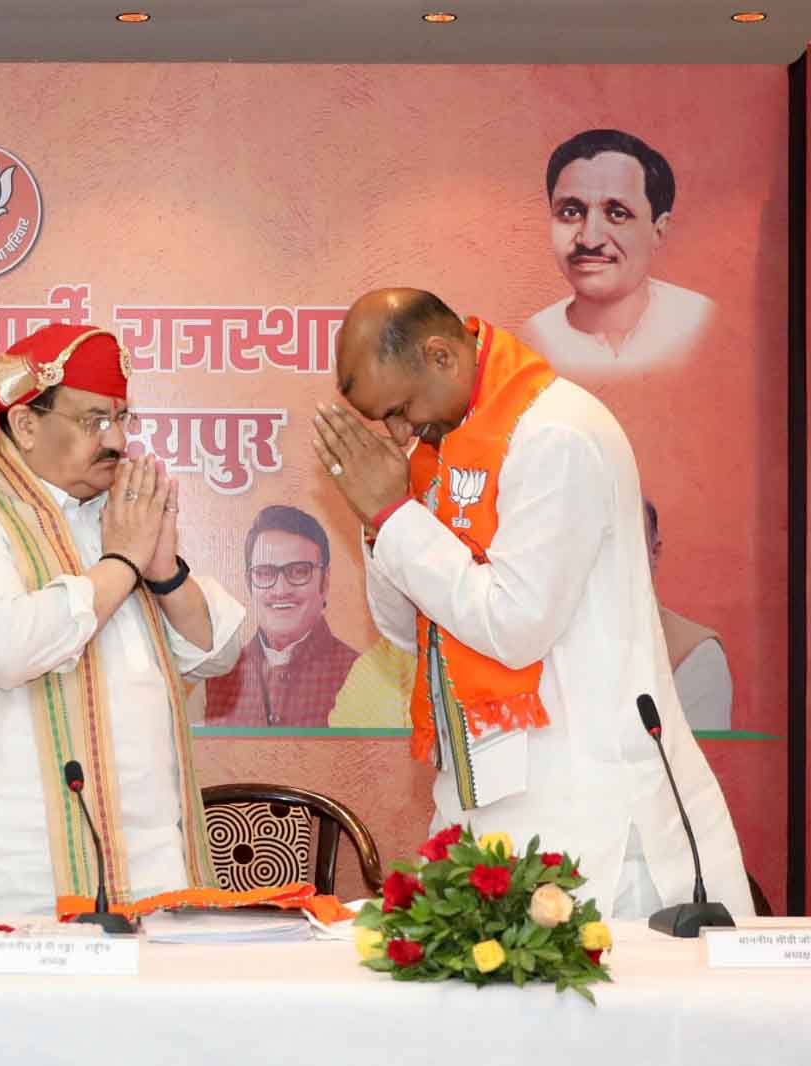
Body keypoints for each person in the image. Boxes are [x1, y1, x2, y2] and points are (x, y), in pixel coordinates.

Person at [312, 287, 751, 920]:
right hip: (481, 799)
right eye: (386, 421)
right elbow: (411, 635)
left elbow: (515, 625)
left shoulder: (554, 435)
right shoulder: (440, 452)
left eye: (403, 409)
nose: (401, 432)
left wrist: (396, 514)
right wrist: (383, 519)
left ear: (441, 356)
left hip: (577, 802)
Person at [0, 322, 245, 915]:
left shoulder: (114, 523)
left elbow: (217, 652)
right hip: (12, 872)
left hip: (149, 867)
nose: (114, 440)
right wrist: (122, 563)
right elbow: (8, 648)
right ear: (26, 424)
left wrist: (161, 570)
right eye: (93, 421)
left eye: (120, 419)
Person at [520, 128, 713, 375]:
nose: (589, 240)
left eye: (617, 214)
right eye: (570, 212)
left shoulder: (700, 324)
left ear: (658, 230)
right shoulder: (533, 340)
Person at [204, 505, 357, 727]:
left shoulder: (358, 673)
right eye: (265, 573)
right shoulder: (221, 675)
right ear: (249, 584)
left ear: (325, 580)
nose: (281, 589)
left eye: (299, 571)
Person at [644, 498, 732, 731]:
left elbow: (695, 763)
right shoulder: (548, 640)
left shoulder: (694, 653)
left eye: (626, 545)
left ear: (654, 552)